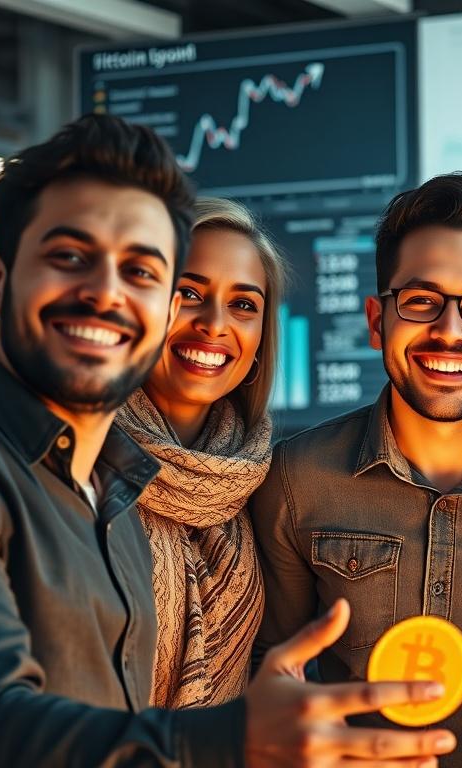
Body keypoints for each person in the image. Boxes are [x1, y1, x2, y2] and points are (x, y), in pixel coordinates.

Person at [0, 114, 456, 767]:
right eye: (69, 257)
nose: (106, 294)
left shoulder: (115, 488)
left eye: (143, 273)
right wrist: (231, 740)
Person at [252, 172, 462, 766]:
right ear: (375, 320)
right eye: (420, 301)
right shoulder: (292, 478)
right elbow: (270, 676)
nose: (450, 330)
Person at [114, 197, 286, 708]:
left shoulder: (258, 481)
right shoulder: (72, 456)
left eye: (243, 304)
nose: (215, 324)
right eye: (188, 292)